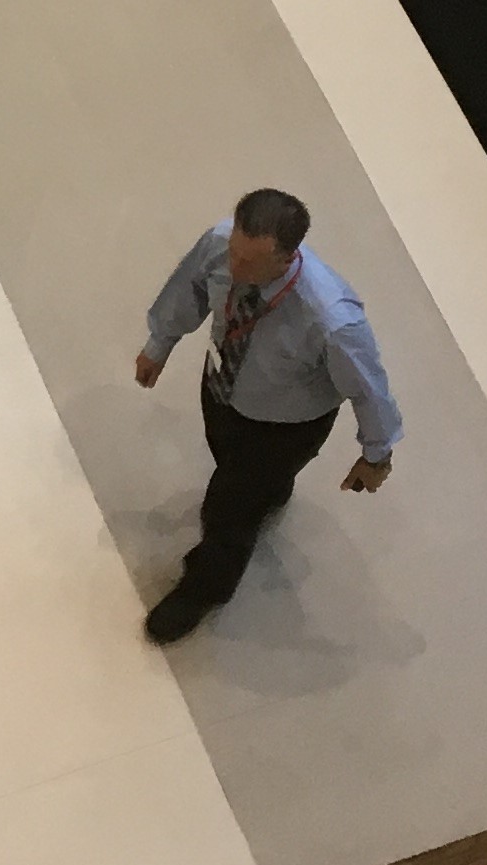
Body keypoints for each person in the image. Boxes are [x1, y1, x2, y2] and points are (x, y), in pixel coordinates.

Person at [135, 187, 401, 643]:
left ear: (287, 258)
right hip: (223, 388)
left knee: (228, 509)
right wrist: (160, 344)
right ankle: (269, 492)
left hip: (284, 428)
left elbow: (369, 389)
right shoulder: (221, 243)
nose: (235, 268)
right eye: (235, 252)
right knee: (232, 464)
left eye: (250, 262)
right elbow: (190, 288)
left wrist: (375, 455)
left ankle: (205, 587)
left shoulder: (332, 318)